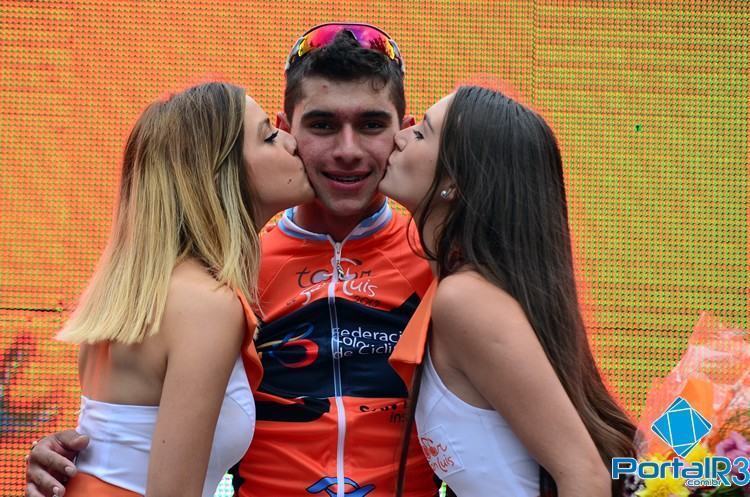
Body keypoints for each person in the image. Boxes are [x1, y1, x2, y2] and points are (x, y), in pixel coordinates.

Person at [26, 25, 443, 497]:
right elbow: (143, 414)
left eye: (371, 125)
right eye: (322, 125)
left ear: (403, 131)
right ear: (287, 133)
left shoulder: (440, 264)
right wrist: (76, 459)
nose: (347, 151)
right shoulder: (229, 276)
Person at [43, 82, 313, 497]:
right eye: (268, 135)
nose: (291, 142)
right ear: (219, 173)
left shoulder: (143, 292)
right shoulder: (205, 305)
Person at [382, 86, 637, 497]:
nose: (400, 134)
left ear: (454, 183)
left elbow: (585, 476)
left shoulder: (466, 299)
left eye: (423, 133)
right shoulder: (469, 291)